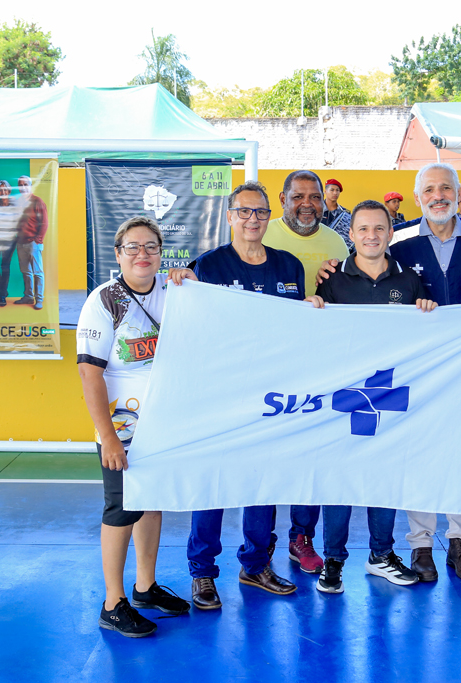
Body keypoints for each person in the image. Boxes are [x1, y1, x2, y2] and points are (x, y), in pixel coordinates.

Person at [319, 163, 461, 584]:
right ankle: (420, 544)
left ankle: (460, 542)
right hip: (416, 370)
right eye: (430, 189)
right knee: (417, 451)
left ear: (457, 191)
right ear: (417, 197)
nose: (439, 195)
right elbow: (370, 274)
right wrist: (332, 269)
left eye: (446, 188)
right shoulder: (398, 240)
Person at [171, 181, 312, 609]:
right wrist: (179, 282)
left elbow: (300, 328)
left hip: (270, 394)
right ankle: (202, 571)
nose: (253, 219)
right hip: (221, 394)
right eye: (244, 211)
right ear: (230, 216)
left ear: (270, 216)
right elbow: (189, 321)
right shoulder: (208, 266)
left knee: (261, 482)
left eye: (260, 211)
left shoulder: (289, 265)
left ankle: (255, 565)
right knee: (213, 483)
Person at [310, 200, 437, 593]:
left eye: (379, 228)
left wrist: (428, 310)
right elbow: (315, 334)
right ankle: (333, 560)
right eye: (363, 228)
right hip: (345, 396)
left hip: (389, 394)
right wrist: (313, 307)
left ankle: (381, 555)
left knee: (385, 474)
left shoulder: (409, 280)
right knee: (339, 478)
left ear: (390, 233)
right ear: (351, 234)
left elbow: (428, 334)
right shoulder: (333, 280)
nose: (371, 235)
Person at [76, 216, 191, 638]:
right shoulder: (104, 301)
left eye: (151, 247)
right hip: (122, 424)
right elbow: (90, 374)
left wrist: (192, 283)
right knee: (122, 507)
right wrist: (108, 437)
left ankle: (145, 587)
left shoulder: (175, 293)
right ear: (118, 254)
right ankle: (113, 603)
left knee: (151, 501)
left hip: (163, 421)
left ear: (161, 252)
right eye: (133, 247)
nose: (142, 254)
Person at [261, 170, 349, 573]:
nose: (308, 204)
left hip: (320, 365)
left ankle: (302, 536)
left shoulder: (337, 243)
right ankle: (261, 539)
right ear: (283, 199)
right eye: (299, 196)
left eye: (315, 196)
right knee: (266, 452)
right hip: (271, 363)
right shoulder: (263, 234)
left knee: (312, 452)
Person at [14, 175, 48, 310]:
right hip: (20, 242)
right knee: (26, 271)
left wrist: (37, 240)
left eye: (25, 184)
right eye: (20, 185)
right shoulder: (19, 202)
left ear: (30, 186)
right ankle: (28, 296)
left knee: (37, 272)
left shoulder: (38, 201)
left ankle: (39, 299)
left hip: (33, 243)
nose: (23, 187)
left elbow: (44, 223)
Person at [0, 180, 21, 306]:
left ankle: (2, 296)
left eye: (5, 190)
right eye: (0, 190)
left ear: (9, 191)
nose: (3, 192)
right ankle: (3, 290)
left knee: (5, 267)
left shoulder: (14, 204)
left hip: (10, 240)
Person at [322, 178, 352, 247]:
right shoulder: (316, 210)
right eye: (332, 190)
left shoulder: (344, 213)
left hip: (336, 248)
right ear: (325, 191)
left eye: (337, 190)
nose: (335, 193)